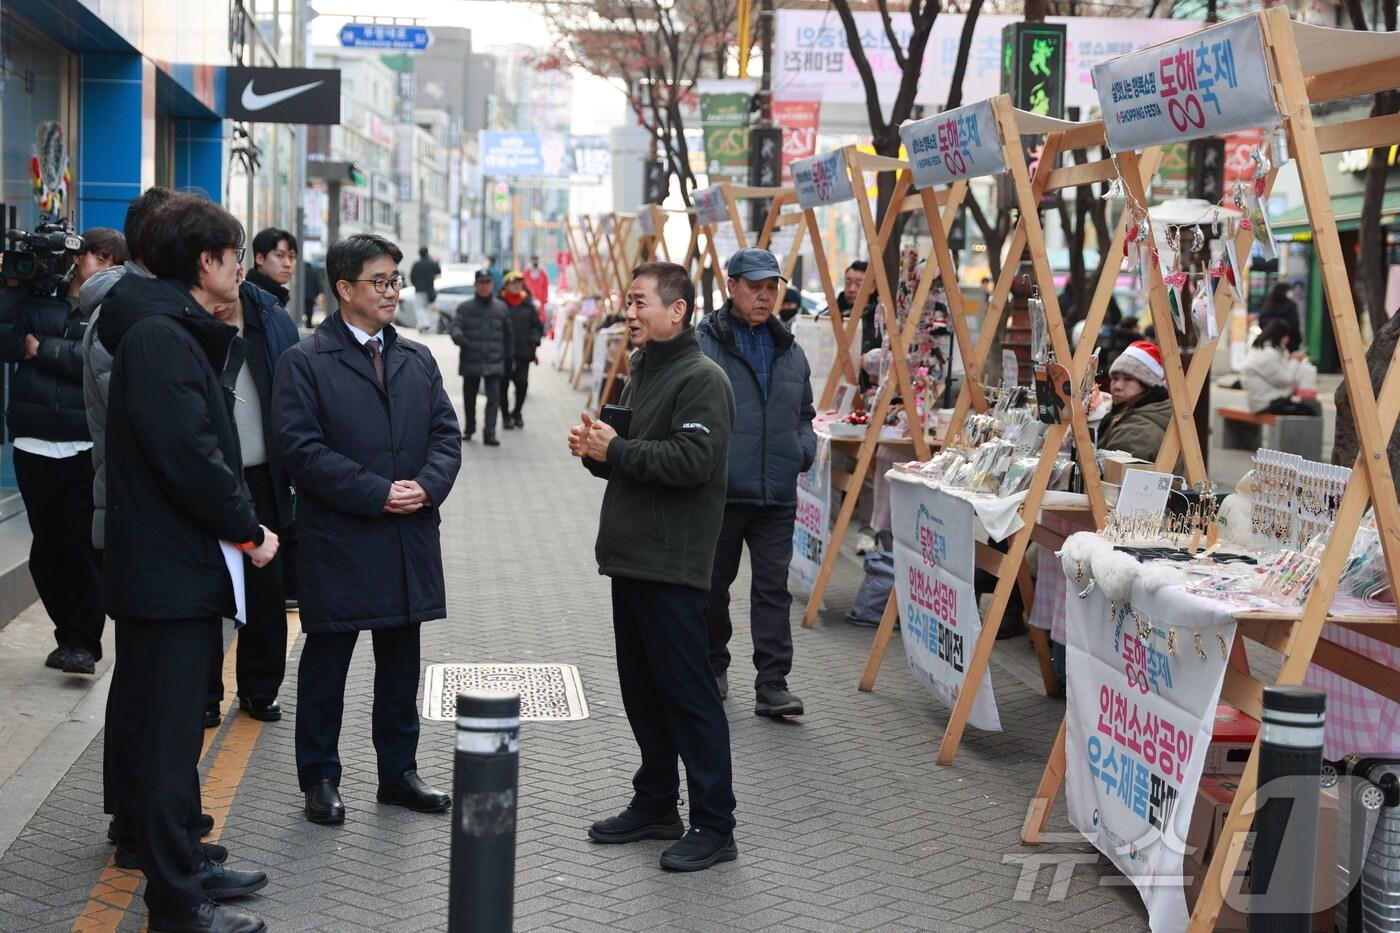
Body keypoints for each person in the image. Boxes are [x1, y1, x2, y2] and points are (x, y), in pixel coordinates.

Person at [99, 193, 275, 933]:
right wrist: (248, 528)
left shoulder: (169, 328)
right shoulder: (161, 337)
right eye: (236, 257)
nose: (243, 270)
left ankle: (179, 856)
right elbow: (191, 458)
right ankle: (175, 901)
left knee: (160, 728)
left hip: (168, 567)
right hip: (168, 570)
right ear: (206, 263)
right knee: (169, 736)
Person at [272, 233, 461, 827]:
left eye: (396, 281)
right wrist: (378, 492)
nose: (392, 292)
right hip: (343, 539)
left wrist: (426, 486)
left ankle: (398, 772)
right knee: (328, 663)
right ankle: (320, 777)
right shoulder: (305, 360)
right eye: (380, 282)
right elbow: (300, 451)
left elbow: (445, 436)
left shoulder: (416, 357)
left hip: (407, 537)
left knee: (401, 666)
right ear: (344, 288)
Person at [569, 260, 738, 872]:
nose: (631, 313)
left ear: (679, 311)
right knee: (642, 690)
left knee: (688, 694)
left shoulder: (702, 377)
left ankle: (716, 824)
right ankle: (656, 802)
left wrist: (618, 449)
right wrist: (598, 451)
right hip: (633, 557)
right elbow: (636, 455)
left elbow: (692, 460)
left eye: (641, 303)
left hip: (674, 561)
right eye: (629, 302)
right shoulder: (645, 368)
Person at [696, 249, 815, 717]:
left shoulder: (790, 348)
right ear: (732, 286)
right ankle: (712, 666)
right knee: (712, 587)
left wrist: (800, 452)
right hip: (720, 491)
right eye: (755, 286)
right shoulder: (703, 344)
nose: (765, 296)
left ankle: (773, 683)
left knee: (773, 589)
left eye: (772, 287)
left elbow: (804, 414)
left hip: (776, 494)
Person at [1, 226, 126, 676]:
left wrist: (45, 349)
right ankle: (66, 633)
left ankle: (83, 643)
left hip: (83, 442)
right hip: (33, 441)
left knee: (81, 547)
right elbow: (8, 343)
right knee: (46, 550)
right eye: (92, 256)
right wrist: (12, 288)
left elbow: (94, 362)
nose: (93, 265)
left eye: (104, 258)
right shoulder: (41, 296)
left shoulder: (114, 308)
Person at [204, 256, 301, 726]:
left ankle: (259, 688)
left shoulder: (271, 319)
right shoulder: (182, 319)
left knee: (266, 588)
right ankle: (204, 692)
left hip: (263, 475)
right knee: (204, 585)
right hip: (205, 475)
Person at [450, 269, 512, 446]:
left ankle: (490, 433)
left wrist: (509, 359)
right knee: (470, 398)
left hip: (495, 361)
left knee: (494, 399)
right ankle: (469, 429)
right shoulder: (465, 308)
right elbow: (455, 326)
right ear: (475, 285)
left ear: (492, 285)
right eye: (481, 283)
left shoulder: (501, 308)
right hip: (471, 359)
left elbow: (509, 336)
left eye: (488, 283)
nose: (485, 287)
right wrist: (459, 338)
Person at [1097, 340, 1173, 461]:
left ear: (1148, 385)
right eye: (1115, 378)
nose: (1118, 386)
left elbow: (1113, 476)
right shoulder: (1128, 412)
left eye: (1128, 379)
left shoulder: (1136, 431)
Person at [1241, 320, 1320, 416]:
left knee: (1310, 406)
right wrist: (1294, 360)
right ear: (1279, 335)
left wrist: (1289, 358)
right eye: (1286, 335)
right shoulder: (1266, 355)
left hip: (1266, 401)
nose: (1288, 339)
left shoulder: (1264, 350)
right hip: (1266, 404)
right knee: (1312, 408)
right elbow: (1286, 379)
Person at [501, 270, 544, 430]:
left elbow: (537, 326)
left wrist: (534, 338)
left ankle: (517, 412)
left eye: (519, 283)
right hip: (503, 354)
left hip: (523, 353)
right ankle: (505, 416)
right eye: (512, 283)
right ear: (506, 285)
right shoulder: (499, 303)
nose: (516, 286)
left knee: (522, 385)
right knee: (502, 387)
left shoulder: (528, 304)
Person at [246, 228, 296, 309]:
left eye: (291, 257)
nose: (287, 264)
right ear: (259, 258)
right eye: (279, 255)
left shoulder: (276, 297)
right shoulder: (251, 299)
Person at [1258, 282, 1302, 351]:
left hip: (1268, 342)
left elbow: (1261, 322)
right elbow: (1294, 325)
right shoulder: (1290, 305)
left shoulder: (1268, 304)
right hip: (1288, 343)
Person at [409, 246, 441, 331]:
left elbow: (412, 276)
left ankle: (424, 324)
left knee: (419, 308)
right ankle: (425, 324)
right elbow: (438, 271)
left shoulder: (416, 264)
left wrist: (415, 284)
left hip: (419, 290)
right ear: (427, 253)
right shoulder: (431, 263)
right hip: (429, 289)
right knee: (427, 308)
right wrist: (435, 261)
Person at [523, 254, 550, 323]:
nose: (535, 262)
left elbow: (545, 287)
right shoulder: (526, 272)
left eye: (536, 260)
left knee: (540, 319)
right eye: (533, 260)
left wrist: (544, 300)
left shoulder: (543, 273)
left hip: (540, 300)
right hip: (528, 300)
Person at [301, 260, 325, 329]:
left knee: (301, 309)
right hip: (311, 295)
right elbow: (317, 284)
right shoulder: (313, 272)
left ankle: (300, 322)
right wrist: (316, 294)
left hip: (302, 295)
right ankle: (309, 324)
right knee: (309, 311)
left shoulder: (301, 273)